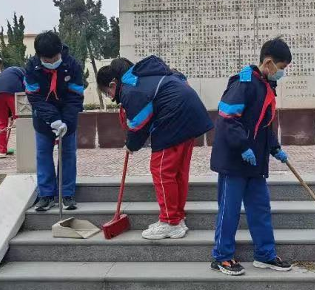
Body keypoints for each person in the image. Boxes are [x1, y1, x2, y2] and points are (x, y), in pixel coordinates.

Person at [97, 56, 213, 239]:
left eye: (107, 93)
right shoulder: (147, 76)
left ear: (113, 83)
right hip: (191, 118)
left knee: (161, 170)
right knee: (177, 172)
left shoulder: (131, 88)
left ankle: (169, 221)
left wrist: (131, 145)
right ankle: (177, 217)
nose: (111, 97)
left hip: (173, 119)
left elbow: (138, 123)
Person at [209, 37, 293, 276]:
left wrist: (274, 148)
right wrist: (244, 146)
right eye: (282, 68)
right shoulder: (243, 83)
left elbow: (264, 124)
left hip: (255, 163)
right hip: (234, 161)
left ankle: (265, 254)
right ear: (268, 62)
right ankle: (222, 256)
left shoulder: (266, 85)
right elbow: (226, 119)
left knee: (260, 209)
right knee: (229, 211)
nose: (282, 73)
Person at [25, 31, 85, 212]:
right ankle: (46, 195)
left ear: (60, 51)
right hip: (43, 118)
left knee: (67, 153)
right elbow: (34, 97)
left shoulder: (73, 65)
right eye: (47, 60)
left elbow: (75, 96)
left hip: (68, 117)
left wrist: (65, 121)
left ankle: (67, 193)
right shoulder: (31, 67)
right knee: (43, 154)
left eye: (54, 58)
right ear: (39, 55)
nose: (51, 63)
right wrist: (53, 120)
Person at [0, 65, 25, 159]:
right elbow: (26, 89)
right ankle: (24, 149)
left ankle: (1, 151)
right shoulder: (23, 72)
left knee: (2, 122)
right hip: (13, 92)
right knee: (21, 120)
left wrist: (10, 114)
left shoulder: (4, 73)